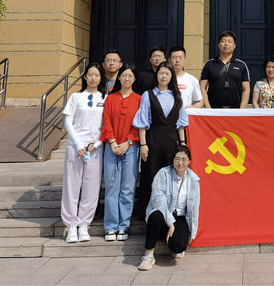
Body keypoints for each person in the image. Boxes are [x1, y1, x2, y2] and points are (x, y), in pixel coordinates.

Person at [133, 61, 189, 218]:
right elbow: (142, 122)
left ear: (171, 76)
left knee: (170, 177)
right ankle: (151, 215)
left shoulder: (177, 96)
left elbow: (181, 124)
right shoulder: (148, 95)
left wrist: (182, 144)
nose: (164, 76)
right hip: (153, 141)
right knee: (151, 176)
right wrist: (143, 144)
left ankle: (169, 213)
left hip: (171, 142)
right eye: (161, 73)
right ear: (156, 75)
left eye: (167, 73)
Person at [61, 62, 107, 244]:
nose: (93, 78)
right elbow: (68, 122)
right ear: (85, 77)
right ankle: (71, 224)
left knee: (91, 187)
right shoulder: (76, 97)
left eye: (97, 75)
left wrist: (98, 143)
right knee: (71, 185)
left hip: (95, 148)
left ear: (101, 78)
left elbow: (107, 125)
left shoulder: (105, 97)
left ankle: (84, 224)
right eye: (90, 75)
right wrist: (79, 144)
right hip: (76, 147)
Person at [138, 145, 200, 271]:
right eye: (177, 159)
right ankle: (149, 254)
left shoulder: (193, 180)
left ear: (189, 161)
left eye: (184, 159)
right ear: (172, 160)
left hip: (180, 217)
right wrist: (170, 223)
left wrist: (191, 233)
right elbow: (158, 201)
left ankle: (171, 241)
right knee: (155, 216)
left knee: (178, 247)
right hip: (163, 214)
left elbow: (194, 209)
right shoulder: (163, 174)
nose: (180, 163)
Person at [100, 64, 141, 241]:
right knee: (111, 186)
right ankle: (110, 227)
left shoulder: (139, 99)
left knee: (127, 188)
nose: (126, 79)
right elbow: (106, 121)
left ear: (134, 79)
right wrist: (113, 142)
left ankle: (123, 226)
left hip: (131, 147)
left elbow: (140, 123)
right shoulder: (110, 98)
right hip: (111, 146)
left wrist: (128, 142)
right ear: (119, 77)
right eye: (124, 75)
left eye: (130, 76)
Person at [199, 31, 251, 108]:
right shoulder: (209, 64)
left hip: (235, 109)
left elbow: (246, 89)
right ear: (219, 45)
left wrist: (242, 109)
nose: (226, 44)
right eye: (223, 41)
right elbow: (202, 88)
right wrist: (208, 108)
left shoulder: (241, 65)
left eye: (229, 41)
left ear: (234, 46)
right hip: (214, 109)